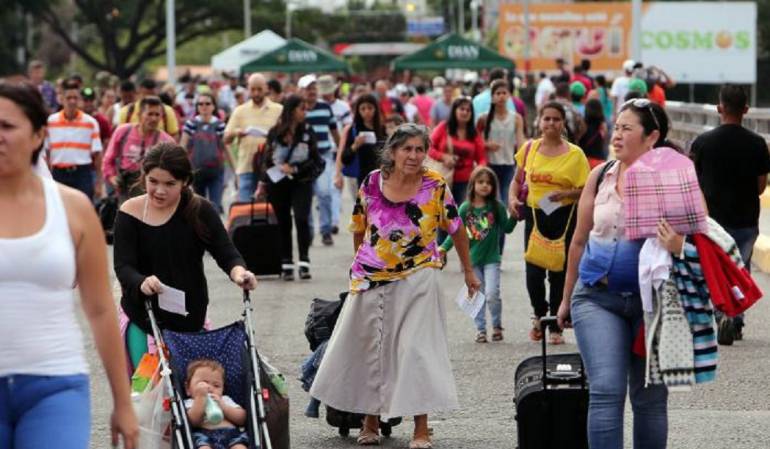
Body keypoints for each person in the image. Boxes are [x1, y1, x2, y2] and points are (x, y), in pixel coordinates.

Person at [310, 123, 481, 449]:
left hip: (420, 274)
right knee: (371, 349)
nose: (414, 156)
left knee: (416, 350)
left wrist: (468, 272)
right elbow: (359, 227)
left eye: (420, 149)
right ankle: (370, 421)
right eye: (407, 149)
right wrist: (358, 267)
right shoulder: (372, 182)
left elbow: (456, 227)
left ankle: (421, 428)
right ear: (392, 151)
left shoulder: (434, 185)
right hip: (371, 276)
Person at [0, 82, 138, 448]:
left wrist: (123, 403)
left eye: (7, 126)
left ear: (38, 136)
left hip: (55, 384)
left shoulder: (73, 208)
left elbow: (100, 309)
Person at [557, 99, 676, 449]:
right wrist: (566, 298)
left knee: (650, 397)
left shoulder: (673, 179)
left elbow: (700, 241)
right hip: (597, 297)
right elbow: (579, 240)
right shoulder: (601, 175)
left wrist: (677, 241)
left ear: (651, 136)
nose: (617, 135)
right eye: (617, 127)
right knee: (606, 390)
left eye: (627, 128)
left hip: (653, 304)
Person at [113, 143, 257, 371]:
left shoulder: (200, 210)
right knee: (146, 387)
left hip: (190, 318)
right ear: (144, 177)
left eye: (170, 184)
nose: (160, 190)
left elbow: (226, 252)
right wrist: (141, 282)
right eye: (153, 181)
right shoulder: (130, 211)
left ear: (185, 182)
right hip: (142, 316)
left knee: (193, 387)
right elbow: (123, 266)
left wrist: (239, 273)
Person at [690, 84, 770, 342]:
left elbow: (693, 183)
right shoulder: (758, 144)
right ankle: (735, 319)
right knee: (739, 269)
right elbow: (760, 187)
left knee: (714, 269)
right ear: (745, 110)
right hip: (746, 221)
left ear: (719, 108)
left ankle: (720, 313)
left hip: (711, 221)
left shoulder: (702, 143)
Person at [509, 101, 590, 345]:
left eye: (556, 119)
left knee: (559, 272)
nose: (551, 123)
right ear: (539, 121)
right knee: (533, 272)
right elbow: (517, 180)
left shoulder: (575, 154)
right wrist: (512, 198)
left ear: (563, 123)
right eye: (547, 118)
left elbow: (586, 190)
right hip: (535, 215)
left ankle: (556, 323)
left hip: (564, 217)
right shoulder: (529, 148)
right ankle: (539, 313)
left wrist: (565, 194)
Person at [440, 166, 516, 343]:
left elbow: (507, 228)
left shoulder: (496, 207)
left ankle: (496, 326)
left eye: (489, 183)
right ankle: (481, 330)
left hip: (492, 260)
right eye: (480, 182)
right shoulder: (465, 208)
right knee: (476, 296)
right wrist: (443, 248)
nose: (484, 186)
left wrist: (514, 215)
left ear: (493, 187)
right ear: (472, 185)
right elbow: (455, 231)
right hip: (472, 262)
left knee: (492, 294)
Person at [257, 95, 323, 281]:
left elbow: (315, 159)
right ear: (291, 111)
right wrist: (262, 183)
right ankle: (286, 262)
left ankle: (304, 261)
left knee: (302, 218)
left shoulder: (308, 131)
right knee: (283, 221)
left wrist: (295, 168)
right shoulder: (275, 132)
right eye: (302, 108)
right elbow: (266, 160)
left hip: (301, 181)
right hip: (278, 182)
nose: (305, 112)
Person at [103, 96, 176, 203]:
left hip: (151, 192)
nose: (154, 119)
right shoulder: (123, 132)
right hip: (124, 188)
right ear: (139, 115)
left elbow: (174, 171)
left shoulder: (167, 141)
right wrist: (113, 178)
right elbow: (108, 160)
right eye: (150, 114)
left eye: (157, 115)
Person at [224, 73, 283, 202]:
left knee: (272, 208)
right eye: (253, 89)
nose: (256, 93)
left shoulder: (279, 110)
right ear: (248, 89)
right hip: (246, 167)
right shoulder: (239, 111)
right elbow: (226, 139)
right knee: (246, 207)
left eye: (259, 89)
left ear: (266, 88)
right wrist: (237, 132)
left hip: (272, 168)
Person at [298, 74, 341, 246]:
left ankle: (325, 231)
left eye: (314, 88)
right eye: (308, 88)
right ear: (301, 91)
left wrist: (341, 154)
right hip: (303, 159)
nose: (312, 91)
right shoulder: (298, 110)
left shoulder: (325, 108)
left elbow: (335, 132)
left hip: (323, 157)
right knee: (306, 197)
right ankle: (308, 232)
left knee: (324, 193)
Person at [46, 81, 104, 201]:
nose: (72, 101)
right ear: (62, 99)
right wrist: (46, 177)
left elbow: (97, 154)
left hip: (82, 173)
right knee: (59, 208)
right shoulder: (51, 122)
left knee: (84, 207)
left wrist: (99, 182)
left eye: (75, 98)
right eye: (68, 98)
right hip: (58, 173)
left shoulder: (90, 122)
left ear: (80, 100)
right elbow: (46, 153)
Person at [180, 93, 236, 213]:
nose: (204, 106)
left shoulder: (220, 125)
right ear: (197, 107)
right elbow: (183, 147)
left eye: (207, 103)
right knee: (198, 207)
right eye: (200, 104)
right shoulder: (191, 124)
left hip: (216, 172)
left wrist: (235, 172)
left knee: (215, 207)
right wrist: (180, 171)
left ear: (213, 106)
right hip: (196, 172)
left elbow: (227, 149)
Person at [476, 79, 526, 208]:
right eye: (498, 93)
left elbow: (521, 142)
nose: (501, 96)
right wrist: (487, 145)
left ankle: (501, 221)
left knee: (504, 199)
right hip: (489, 164)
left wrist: (522, 163)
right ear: (492, 97)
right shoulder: (484, 118)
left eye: (504, 93)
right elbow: (475, 140)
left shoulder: (516, 118)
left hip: (509, 164)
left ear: (509, 95)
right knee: (489, 199)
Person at [428, 96, 487, 203]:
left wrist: (480, 168)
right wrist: (443, 157)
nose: (465, 112)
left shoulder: (474, 133)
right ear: (454, 110)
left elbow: (482, 158)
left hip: (465, 182)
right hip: (442, 179)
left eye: (468, 110)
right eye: (462, 109)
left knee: (460, 211)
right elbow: (428, 147)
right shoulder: (443, 127)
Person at [185, 360, 248, 449]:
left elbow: (242, 419)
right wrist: (200, 399)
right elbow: (193, 422)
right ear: (188, 389)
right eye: (203, 383)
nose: (210, 388)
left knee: (240, 447)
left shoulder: (224, 400)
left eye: (216, 385)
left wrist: (224, 407)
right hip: (203, 436)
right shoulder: (190, 402)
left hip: (231, 434)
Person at [336, 93, 387, 197]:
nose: (366, 112)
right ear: (358, 111)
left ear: (375, 109)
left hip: (380, 178)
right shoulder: (353, 130)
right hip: (358, 178)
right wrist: (355, 146)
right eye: (363, 109)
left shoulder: (382, 129)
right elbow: (344, 158)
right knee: (362, 206)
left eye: (370, 108)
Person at [578, 99, 609, 168]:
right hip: (599, 161)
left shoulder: (583, 124)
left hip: (584, 160)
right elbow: (605, 141)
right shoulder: (602, 125)